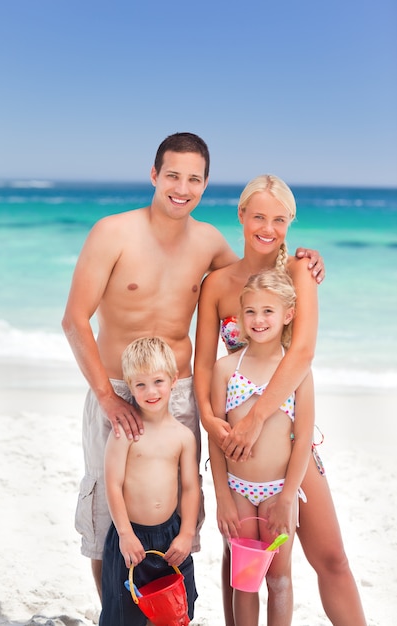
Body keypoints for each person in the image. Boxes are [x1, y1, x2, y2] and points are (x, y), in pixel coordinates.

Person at [62, 132, 324, 599]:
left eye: (194, 180)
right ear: (154, 175)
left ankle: (168, 606)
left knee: (179, 507)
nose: (182, 188)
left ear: (205, 185)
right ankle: (117, 611)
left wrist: (306, 260)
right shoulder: (112, 232)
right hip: (119, 390)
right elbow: (74, 320)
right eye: (173, 176)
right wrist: (105, 397)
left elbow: (257, 273)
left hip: (180, 391)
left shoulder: (208, 243)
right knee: (108, 509)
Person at [194, 174, 367, 625]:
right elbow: (203, 367)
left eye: (279, 219)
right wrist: (213, 424)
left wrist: (256, 418)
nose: (267, 228)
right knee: (242, 564)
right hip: (237, 447)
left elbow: (303, 353)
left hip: (289, 434)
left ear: (290, 223)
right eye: (258, 216)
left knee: (331, 558)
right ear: (241, 216)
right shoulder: (217, 283)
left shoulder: (298, 272)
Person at [209, 269, 314, 626]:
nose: (258, 319)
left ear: (288, 315)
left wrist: (287, 497)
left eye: (268, 311)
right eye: (250, 311)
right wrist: (222, 496)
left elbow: (303, 438)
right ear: (240, 316)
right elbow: (216, 438)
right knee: (245, 580)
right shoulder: (225, 369)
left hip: (277, 492)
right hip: (237, 491)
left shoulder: (296, 371)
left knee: (279, 578)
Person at [99, 337, 200, 626]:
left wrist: (186, 534)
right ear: (130, 387)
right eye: (140, 384)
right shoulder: (124, 432)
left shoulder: (183, 436)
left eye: (158, 381)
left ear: (174, 380)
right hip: (131, 536)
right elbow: (113, 484)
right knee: (123, 613)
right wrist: (125, 534)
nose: (150, 391)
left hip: (170, 535)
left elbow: (191, 487)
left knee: (177, 608)